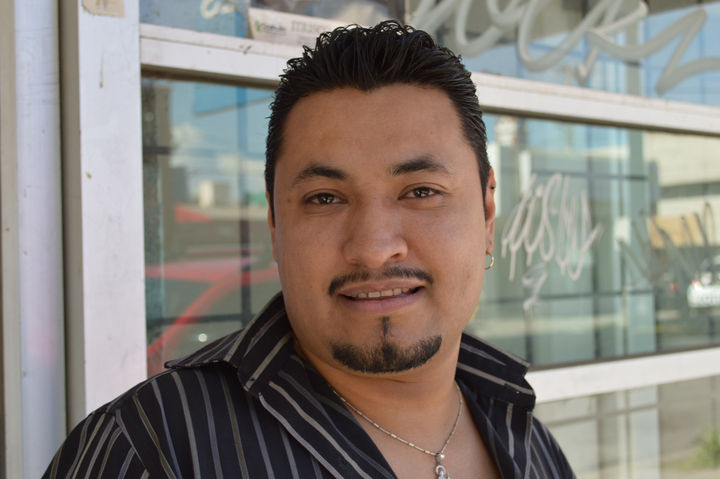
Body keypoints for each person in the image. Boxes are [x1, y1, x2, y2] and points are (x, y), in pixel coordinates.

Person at [44, 20, 575, 479]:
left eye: (420, 192)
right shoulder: (155, 451)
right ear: (275, 224)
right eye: (325, 198)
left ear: (486, 213)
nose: (373, 249)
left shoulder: (531, 445)